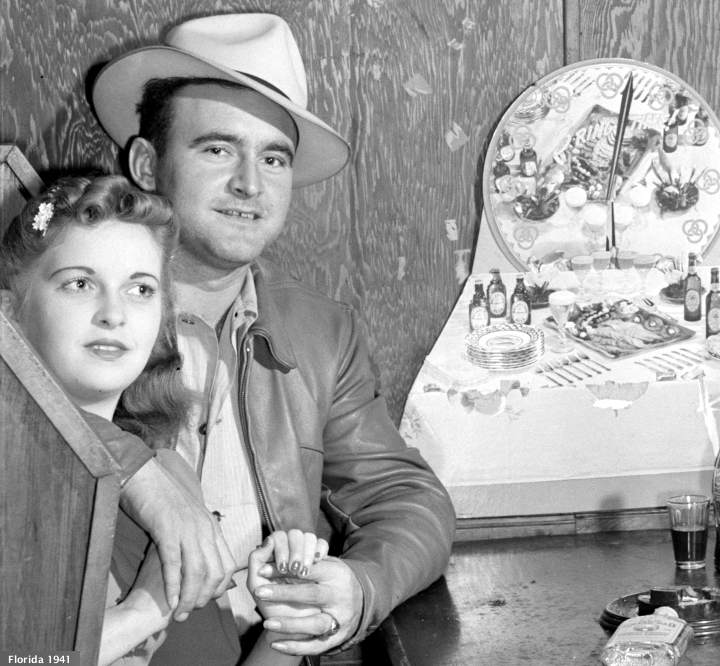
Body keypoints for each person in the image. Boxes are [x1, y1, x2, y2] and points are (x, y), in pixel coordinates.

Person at [91, 12, 456, 660]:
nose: (250, 184)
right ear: (147, 163)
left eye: (273, 158)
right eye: (217, 149)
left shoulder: (322, 333)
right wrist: (140, 470)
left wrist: (359, 587)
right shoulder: (74, 310)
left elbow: (404, 497)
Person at [0, 175, 328, 665]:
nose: (113, 314)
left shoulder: (173, 480)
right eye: (80, 283)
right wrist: (145, 610)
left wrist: (287, 624)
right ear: (10, 311)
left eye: (140, 289)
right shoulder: (16, 481)